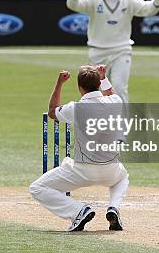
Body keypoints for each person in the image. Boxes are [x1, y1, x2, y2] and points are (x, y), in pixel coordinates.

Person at [30, 65, 128, 232]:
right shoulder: (114, 102)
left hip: (83, 171)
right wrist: (104, 78)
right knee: (122, 178)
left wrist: (59, 83)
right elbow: (112, 94)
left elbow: (52, 112)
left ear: (79, 87)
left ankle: (78, 211)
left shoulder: (75, 108)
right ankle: (113, 208)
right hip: (110, 169)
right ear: (98, 85)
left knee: (37, 188)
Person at [66, 0, 159, 104]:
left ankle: (120, 124)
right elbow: (73, 5)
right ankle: (96, 123)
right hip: (97, 51)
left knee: (119, 89)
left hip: (121, 51)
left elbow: (148, 9)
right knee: (94, 92)